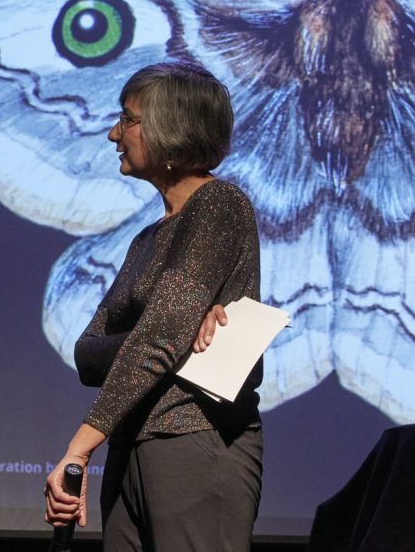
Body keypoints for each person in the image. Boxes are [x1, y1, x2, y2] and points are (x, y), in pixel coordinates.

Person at [44, 62, 263, 551]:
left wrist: (78, 449)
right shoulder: (146, 240)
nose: (113, 134)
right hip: (131, 444)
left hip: (195, 439)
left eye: (128, 119)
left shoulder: (219, 204)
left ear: (170, 129)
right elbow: (87, 354)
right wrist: (175, 334)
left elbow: (159, 338)